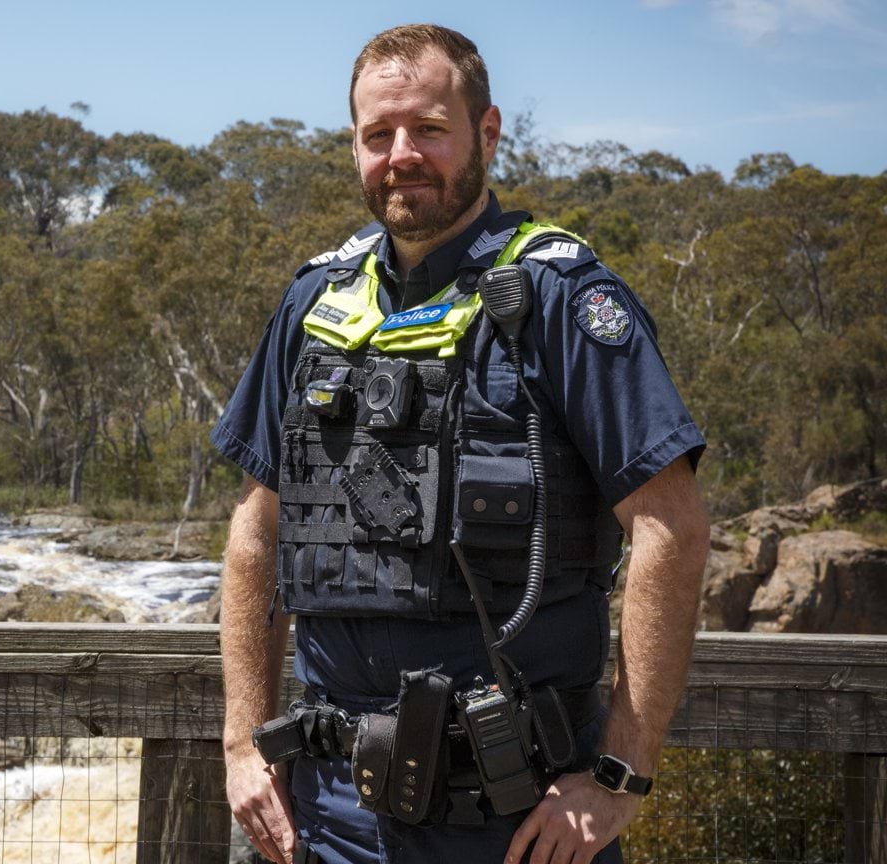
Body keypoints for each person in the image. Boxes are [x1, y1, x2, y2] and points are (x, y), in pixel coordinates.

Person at [211, 23, 711, 864]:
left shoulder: (559, 298)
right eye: (378, 135)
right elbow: (256, 533)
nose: (401, 155)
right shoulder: (314, 303)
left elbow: (673, 526)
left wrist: (619, 773)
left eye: (428, 129)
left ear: (485, 132)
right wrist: (240, 746)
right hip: (328, 817)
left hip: (519, 822)